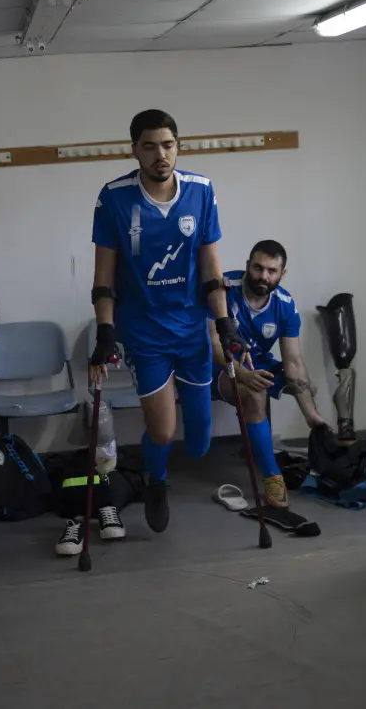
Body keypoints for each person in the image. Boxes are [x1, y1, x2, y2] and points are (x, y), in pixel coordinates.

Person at [88, 109, 248, 533]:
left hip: (192, 329)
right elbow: (103, 277)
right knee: (162, 430)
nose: (161, 154)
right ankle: (155, 481)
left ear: (178, 146)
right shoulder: (114, 197)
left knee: (198, 442)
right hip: (144, 333)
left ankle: (168, 465)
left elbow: (211, 267)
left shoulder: (201, 191)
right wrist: (105, 331)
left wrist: (225, 322)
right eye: (150, 146)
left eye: (168, 144)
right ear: (134, 150)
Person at [209, 240, 335, 508]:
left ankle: (262, 442)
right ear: (247, 266)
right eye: (258, 267)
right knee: (255, 393)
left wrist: (311, 417)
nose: (263, 276)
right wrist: (243, 375)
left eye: (271, 270)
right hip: (215, 367)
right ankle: (272, 475)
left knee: (304, 384)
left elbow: (294, 361)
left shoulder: (285, 305)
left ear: (282, 274)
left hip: (257, 364)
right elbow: (213, 345)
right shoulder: (223, 288)